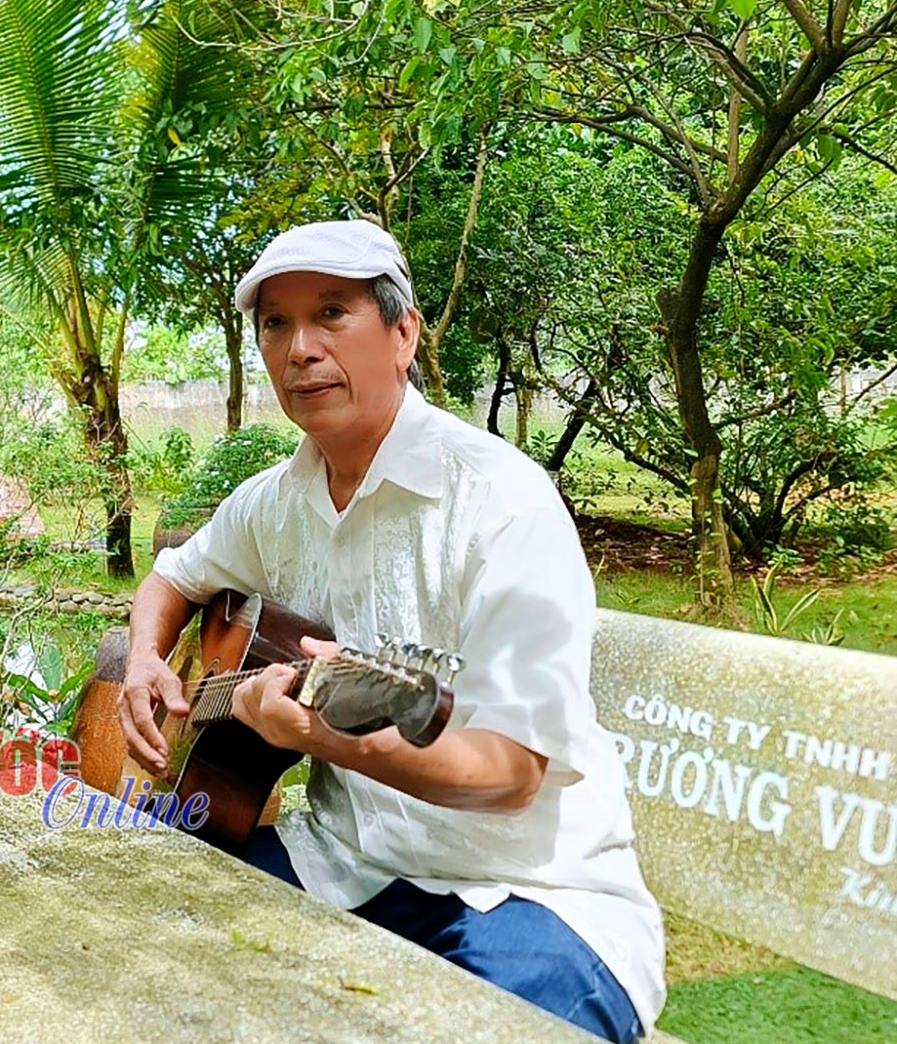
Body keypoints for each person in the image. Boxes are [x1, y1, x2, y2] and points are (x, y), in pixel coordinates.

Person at [121, 220, 663, 1043]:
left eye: (332, 313)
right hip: (345, 862)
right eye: (276, 323)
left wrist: (329, 738)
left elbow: (511, 773)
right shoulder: (273, 501)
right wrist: (143, 663)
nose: (300, 348)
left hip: (530, 894)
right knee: (124, 921)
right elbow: (173, 576)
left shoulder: (499, 502)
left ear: (403, 332)